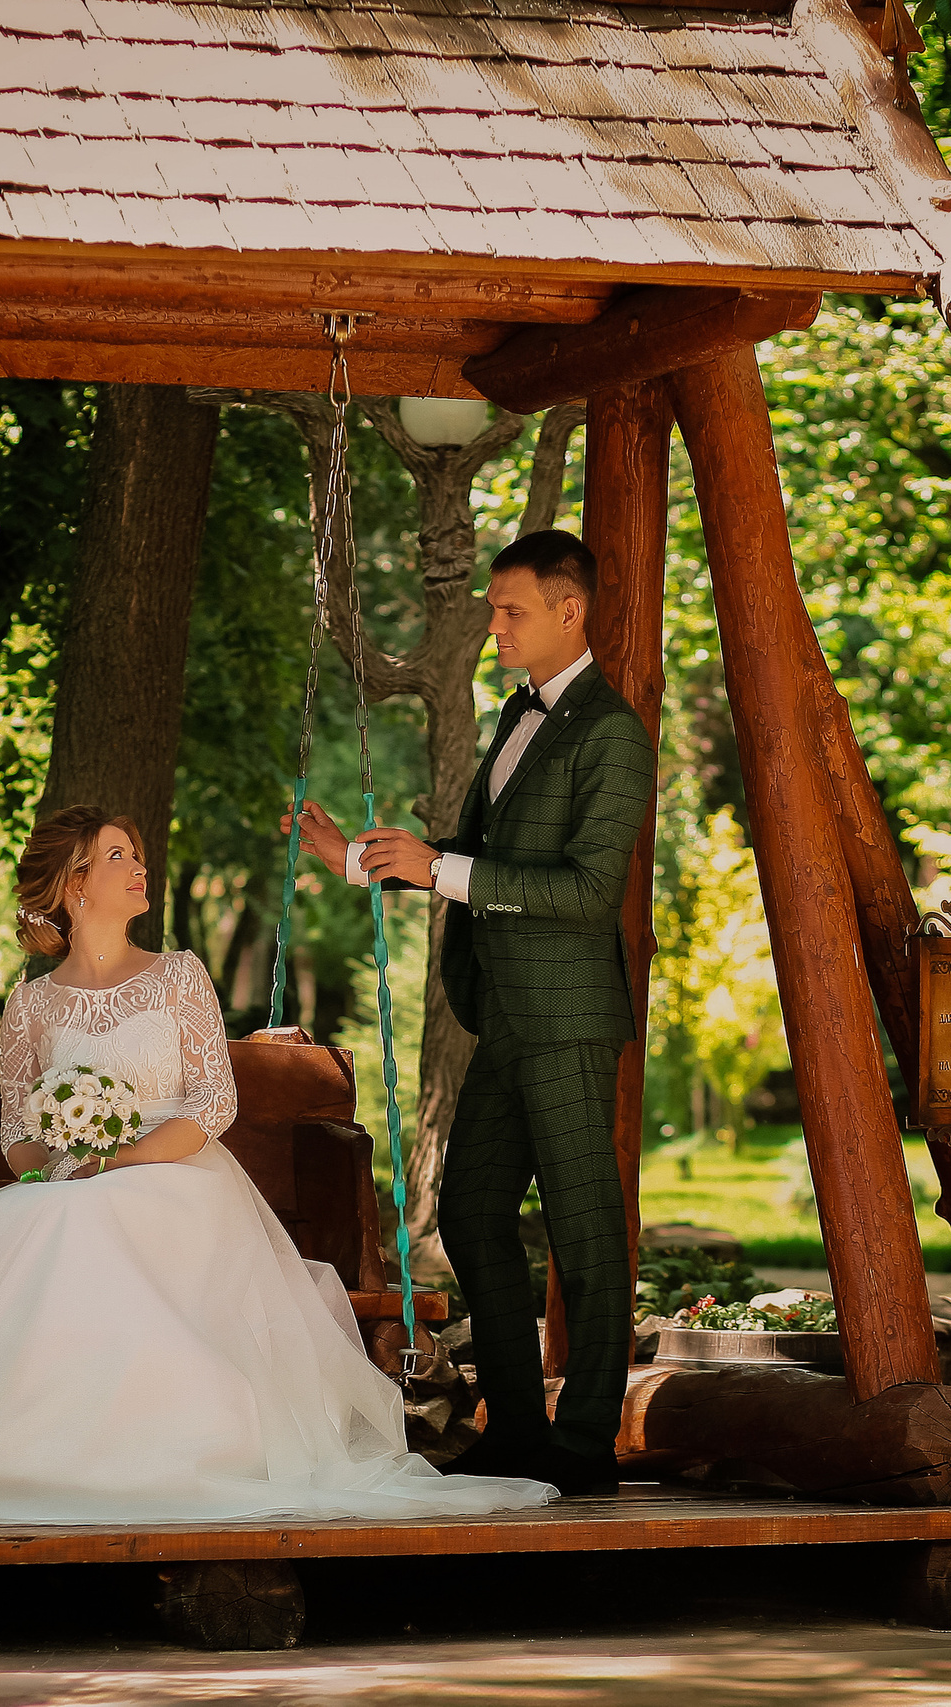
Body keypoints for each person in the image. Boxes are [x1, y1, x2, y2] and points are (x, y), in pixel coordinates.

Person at [0, 804, 554, 1524]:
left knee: (118, 1226)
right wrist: (62, 1155)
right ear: (74, 884)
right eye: (118, 856)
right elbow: (16, 1131)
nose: (138, 867)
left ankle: (166, 1446)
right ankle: (34, 1453)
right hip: (70, 1182)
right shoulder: (32, 1005)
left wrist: (118, 1157)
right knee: (43, 1236)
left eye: (139, 855)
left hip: (179, 1177)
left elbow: (212, 1102)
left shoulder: (179, 975)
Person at [282, 529, 655, 1495]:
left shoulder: (612, 732)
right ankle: (520, 1431)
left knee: (584, 1227)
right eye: (493, 609)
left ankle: (583, 1449)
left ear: (570, 612)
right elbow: (470, 853)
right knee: (471, 1208)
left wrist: (444, 868)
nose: (492, 626)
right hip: (504, 1017)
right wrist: (355, 860)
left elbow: (584, 889)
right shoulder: (515, 716)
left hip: (570, 1019)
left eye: (510, 610)